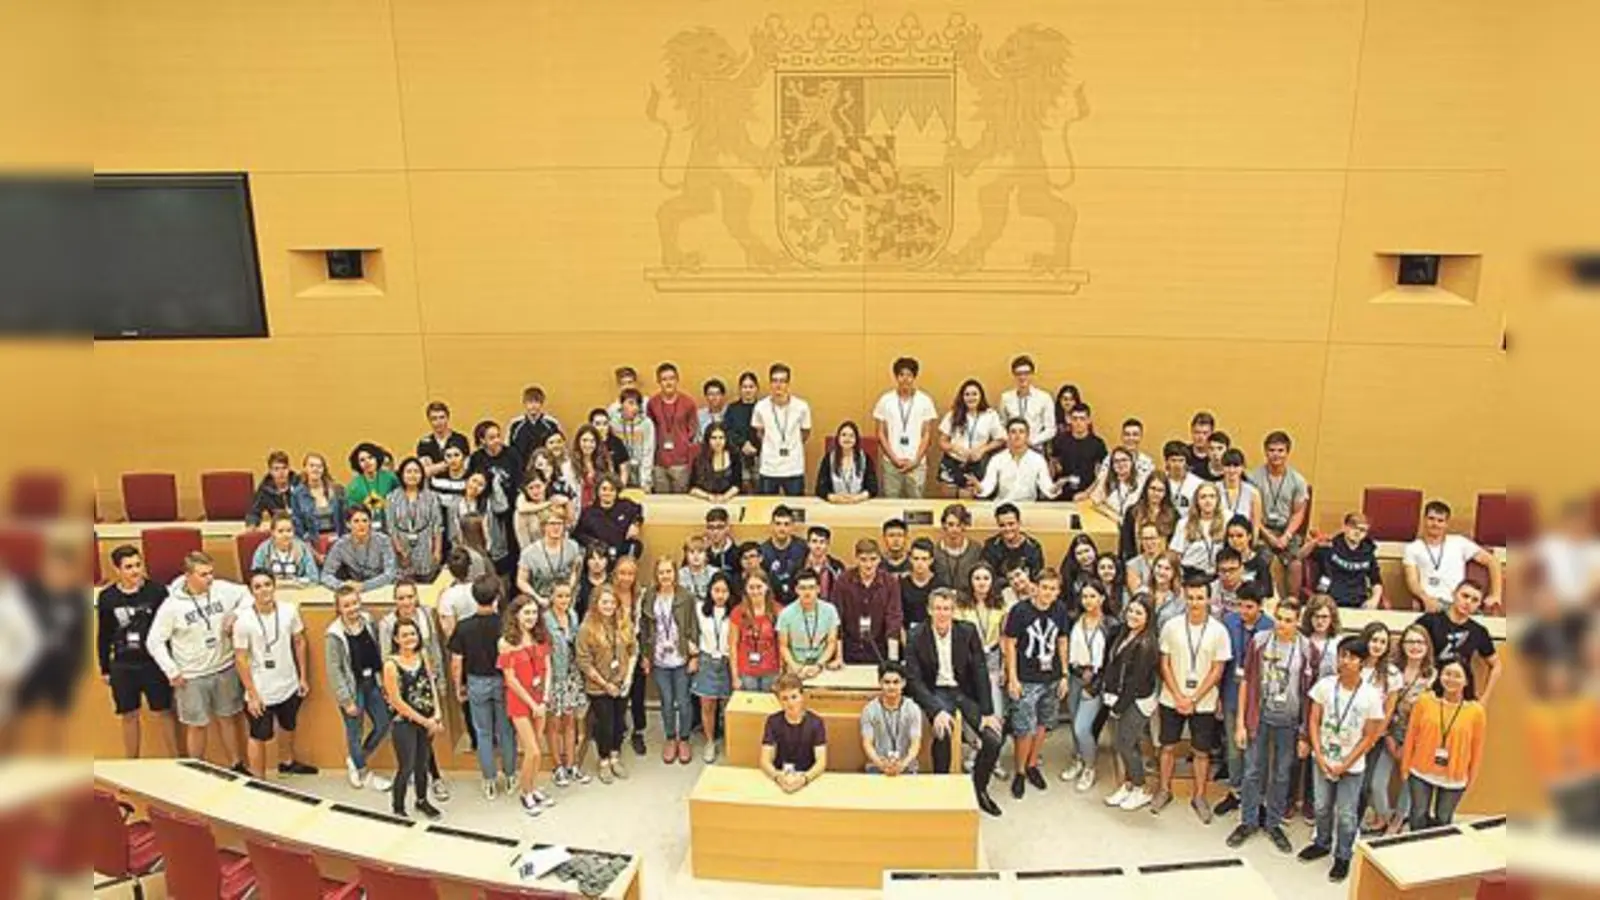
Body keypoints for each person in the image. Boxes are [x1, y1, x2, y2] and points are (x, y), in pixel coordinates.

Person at [147, 552, 248, 772]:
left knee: (228, 718)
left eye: (211, 573)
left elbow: (247, 594)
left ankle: (236, 764)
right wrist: (171, 671)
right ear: (188, 576)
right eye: (203, 575)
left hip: (223, 667)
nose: (209, 579)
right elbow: (154, 641)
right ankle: (197, 769)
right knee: (197, 725)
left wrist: (237, 614)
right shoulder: (172, 605)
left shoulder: (223, 589)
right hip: (191, 675)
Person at [1297, 640, 1387, 882]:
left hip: (1352, 765)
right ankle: (1322, 842)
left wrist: (1346, 763)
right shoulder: (1325, 686)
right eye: (1342, 656)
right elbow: (1313, 721)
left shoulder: (1370, 695)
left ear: (1362, 662)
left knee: (1346, 814)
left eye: (1351, 657)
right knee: (1321, 807)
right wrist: (1320, 753)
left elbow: (1370, 736)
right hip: (1323, 759)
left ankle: (1343, 855)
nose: (1344, 661)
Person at [1227, 596, 1311, 852]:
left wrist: (1305, 734)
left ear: (1297, 622)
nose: (1282, 625)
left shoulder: (1307, 649)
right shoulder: (1260, 642)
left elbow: (1310, 694)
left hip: (1289, 721)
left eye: (1289, 620)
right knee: (1253, 770)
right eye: (1279, 619)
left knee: (1282, 773)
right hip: (1259, 716)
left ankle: (1273, 823)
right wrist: (1241, 722)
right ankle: (1248, 821)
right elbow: (1247, 682)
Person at [1153, 575, 1232, 821]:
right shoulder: (1171, 626)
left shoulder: (1219, 631)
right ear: (1184, 598)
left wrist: (1194, 698)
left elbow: (1217, 670)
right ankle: (1164, 790)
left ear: (1209, 599)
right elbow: (1163, 664)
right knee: (1167, 746)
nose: (1195, 602)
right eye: (1191, 598)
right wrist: (1179, 695)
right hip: (1171, 698)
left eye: (1200, 598)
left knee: (1201, 751)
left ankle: (1199, 796)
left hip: (1204, 702)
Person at [233, 571, 317, 779]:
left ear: (274, 586)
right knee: (258, 736)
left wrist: (303, 676)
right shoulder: (243, 621)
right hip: (261, 690)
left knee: (288, 725)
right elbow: (241, 659)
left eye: (267, 584)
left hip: (289, 684)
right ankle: (258, 778)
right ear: (251, 592)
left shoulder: (289, 611)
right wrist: (252, 694)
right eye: (258, 586)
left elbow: (299, 641)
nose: (264, 590)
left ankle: (286, 762)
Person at [97, 545, 178, 758]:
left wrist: (171, 664)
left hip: (153, 663)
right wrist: (105, 667)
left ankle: (175, 759)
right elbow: (104, 634)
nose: (135, 571)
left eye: (138, 565)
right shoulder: (107, 597)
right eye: (128, 567)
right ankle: (132, 762)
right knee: (129, 714)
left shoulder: (157, 592)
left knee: (164, 711)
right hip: (123, 665)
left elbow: (170, 631)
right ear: (117, 569)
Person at [1003, 568, 1070, 800]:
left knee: (1043, 724)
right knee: (1024, 728)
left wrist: (1064, 674)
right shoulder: (1019, 611)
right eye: (1044, 587)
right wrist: (1012, 677)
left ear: (1058, 591)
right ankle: (1020, 771)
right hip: (1026, 678)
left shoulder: (1060, 610)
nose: (1048, 593)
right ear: (1035, 587)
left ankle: (1032, 764)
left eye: (1053, 589)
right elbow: (1009, 643)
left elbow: (1062, 640)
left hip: (1051, 678)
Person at [450, 577, 518, 801]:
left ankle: (489, 780)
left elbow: (457, 660)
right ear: (497, 596)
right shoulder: (507, 624)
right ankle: (510, 776)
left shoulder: (463, 626)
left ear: (473, 596)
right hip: (503, 681)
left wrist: (458, 685)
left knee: (483, 733)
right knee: (506, 731)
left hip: (476, 681)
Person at [1400, 659, 1486, 831]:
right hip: (1420, 769)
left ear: (1467, 680)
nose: (1451, 679)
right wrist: (1405, 766)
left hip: (1455, 774)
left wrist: (1471, 778)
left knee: (1443, 819)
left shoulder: (1476, 711)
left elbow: (1477, 749)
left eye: (1457, 676)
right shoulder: (1425, 701)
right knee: (1418, 814)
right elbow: (1411, 735)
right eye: (1447, 674)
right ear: (1439, 676)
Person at [323, 585, 393, 792]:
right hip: (352, 688)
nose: (352, 608)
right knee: (354, 730)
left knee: (383, 723)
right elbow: (334, 670)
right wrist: (346, 700)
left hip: (372, 682)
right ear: (338, 608)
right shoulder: (334, 635)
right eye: (346, 605)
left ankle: (356, 758)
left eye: (354, 603)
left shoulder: (369, 621)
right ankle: (362, 771)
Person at [1215, 582, 1275, 813]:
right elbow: (1223, 661)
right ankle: (1235, 791)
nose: (1243, 611)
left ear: (1260, 607)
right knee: (1233, 749)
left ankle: (1256, 797)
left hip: (1259, 699)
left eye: (1249, 607)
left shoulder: (1271, 627)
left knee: (1256, 751)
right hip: (1231, 692)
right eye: (1240, 605)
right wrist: (1219, 696)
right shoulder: (1229, 622)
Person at [1100, 594, 1162, 812]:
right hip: (1119, 697)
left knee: (1126, 744)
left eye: (1139, 612)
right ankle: (1128, 785)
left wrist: (1118, 708)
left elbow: (1136, 682)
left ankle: (1141, 788)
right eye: (1131, 611)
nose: (1133, 616)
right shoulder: (1124, 634)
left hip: (1136, 701)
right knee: (1124, 743)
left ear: (1149, 617)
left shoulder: (1147, 644)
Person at [640, 556, 700, 764]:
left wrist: (694, 656)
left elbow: (694, 626)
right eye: (661, 572)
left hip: (681, 657)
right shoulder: (649, 596)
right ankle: (670, 738)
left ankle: (684, 738)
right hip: (659, 659)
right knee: (666, 701)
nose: (665, 576)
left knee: (683, 701)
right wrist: (646, 656)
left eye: (669, 571)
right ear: (656, 575)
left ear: (675, 573)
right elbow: (646, 628)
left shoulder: (686, 597)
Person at [576, 585, 638, 784]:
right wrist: (605, 684)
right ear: (596, 604)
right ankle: (603, 760)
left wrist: (627, 677)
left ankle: (615, 756)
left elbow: (633, 650)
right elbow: (584, 662)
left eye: (612, 602)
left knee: (619, 722)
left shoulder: (623, 623)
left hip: (621, 683)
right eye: (604, 602)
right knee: (605, 724)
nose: (609, 606)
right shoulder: (586, 629)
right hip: (599, 686)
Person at [500, 595, 556, 816]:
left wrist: (544, 699)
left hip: (540, 700)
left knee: (538, 750)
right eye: (526, 613)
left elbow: (548, 668)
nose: (531, 617)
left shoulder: (541, 637)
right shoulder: (506, 643)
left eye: (534, 612)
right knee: (531, 751)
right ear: (516, 615)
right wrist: (533, 703)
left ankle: (533, 786)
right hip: (521, 702)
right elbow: (510, 679)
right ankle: (525, 793)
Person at [383, 619, 444, 820]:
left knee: (423, 762)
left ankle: (422, 800)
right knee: (406, 765)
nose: (410, 638)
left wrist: (437, 713)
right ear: (396, 639)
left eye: (413, 634)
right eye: (405, 635)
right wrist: (424, 721)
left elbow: (431, 684)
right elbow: (396, 701)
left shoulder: (423, 655)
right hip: (404, 722)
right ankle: (398, 807)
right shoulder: (391, 665)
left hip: (427, 718)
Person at [1061, 580, 1118, 791]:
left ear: (1102, 598)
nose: (1088, 601)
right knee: (1074, 722)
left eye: (1093, 596)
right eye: (1084, 596)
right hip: (1075, 676)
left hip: (1096, 680)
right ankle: (1078, 759)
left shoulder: (1112, 625)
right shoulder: (1074, 619)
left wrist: (1097, 682)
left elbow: (1113, 659)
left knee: (1083, 727)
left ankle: (1090, 767)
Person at [1403, 500, 1505, 614]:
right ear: (1424, 520)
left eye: (1440, 520)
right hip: (1432, 603)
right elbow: (1412, 581)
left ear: (1446, 523)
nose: (1435, 524)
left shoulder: (1459, 542)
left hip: (1460, 604)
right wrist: (1425, 598)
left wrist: (1496, 595)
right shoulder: (1412, 548)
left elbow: (1493, 561)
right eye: (1431, 519)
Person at [1381, 624, 1436, 833]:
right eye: (1410, 641)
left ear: (1427, 646)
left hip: (1418, 738)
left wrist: (1411, 744)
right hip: (1389, 732)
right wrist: (1388, 737)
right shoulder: (1390, 671)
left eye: (1420, 642)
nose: (1415, 646)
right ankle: (1384, 816)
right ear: (1402, 644)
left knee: (1407, 784)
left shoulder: (1433, 676)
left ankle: (1397, 821)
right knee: (1377, 785)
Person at [1413, 581, 1502, 701]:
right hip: (1429, 692)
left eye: (1474, 600)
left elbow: (1496, 665)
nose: (1468, 602)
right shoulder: (1429, 621)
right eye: (1465, 596)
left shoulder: (1479, 631)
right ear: (1454, 594)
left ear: (1479, 605)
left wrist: (1485, 698)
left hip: (1462, 696)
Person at [1353, 621, 1403, 832]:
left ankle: (1355, 824)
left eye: (1383, 641)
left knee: (1364, 783)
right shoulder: (1353, 664)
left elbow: (1389, 709)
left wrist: (1373, 738)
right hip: (1348, 732)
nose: (1378, 645)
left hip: (1373, 738)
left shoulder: (1392, 674)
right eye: (1374, 639)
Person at [1248, 430, 1311, 598]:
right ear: (1265, 452)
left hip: (1286, 529)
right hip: (1262, 528)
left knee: (1295, 563)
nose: (1276, 455)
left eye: (1280, 450)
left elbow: (1299, 512)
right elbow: (1251, 513)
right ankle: (1264, 600)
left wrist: (1287, 536)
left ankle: (1292, 603)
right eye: (1272, 450)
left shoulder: (1298, 480)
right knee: (1262, 559)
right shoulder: (1253, 478)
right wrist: (1268, 536)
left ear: (1287, 452)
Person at [543, 582, 590, 787]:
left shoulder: (573, 616)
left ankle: (572, 764)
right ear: (552, 597)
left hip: (573, 675)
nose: (564, 600)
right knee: (554, 723)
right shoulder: (544, 621)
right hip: (554, 677)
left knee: (570, 721)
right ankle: (557, 767)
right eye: (560, 596)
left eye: (567, 596)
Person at [872, 357, 938, 499]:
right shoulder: (885, 400)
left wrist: (916, 460)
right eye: (901, 375)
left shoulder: (925, 400)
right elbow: (880, 433)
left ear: (914, 377)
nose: (905, 379)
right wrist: (894, 458)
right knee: (891, 502)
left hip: (917, 463)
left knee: (916, 506)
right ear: (896, 377)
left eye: (909, 375)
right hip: (891, 462)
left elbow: (927, 434)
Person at [834, 538, 905, 665]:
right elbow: (837, 618)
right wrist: (838, 656)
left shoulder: (890, 582)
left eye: (873, 559)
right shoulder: (843, 581)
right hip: (850, 649)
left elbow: (893, 620)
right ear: (856, 559)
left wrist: (892, 660)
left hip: (880, 650)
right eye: (863, 560)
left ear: (879, 559)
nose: (868, 565)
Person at [752, 362, 812, 496]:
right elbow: (759, 432)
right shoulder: (760, 407)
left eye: (782, 381)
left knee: (795, 510)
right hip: (769, 467)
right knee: (767, 509)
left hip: (793, 466)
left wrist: (790, 444)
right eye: (774, 381)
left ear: (788, 384)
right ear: (770, 383)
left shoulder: (802, 406)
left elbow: (805, 433)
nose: (778, 385)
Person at [937, 378, 1005, 497]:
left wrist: (982, 450)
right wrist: (955, 448)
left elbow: (1000, 439)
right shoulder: (953, 414)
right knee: (947, 501)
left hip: (975, 464)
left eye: (974, 394)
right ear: (962, 397)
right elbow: (942, 441)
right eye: (967, 394)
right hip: (952, 462)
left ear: (981, 396)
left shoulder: (990, 415)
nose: (971, 398)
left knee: (967, 501)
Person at [969, 418, 1062, 502]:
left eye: (1021, 432)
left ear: (1027, 436)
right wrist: (979, 487)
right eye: (1013, 432)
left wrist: (1056, 487)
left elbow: (1047, 488)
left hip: (1029, 506)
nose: (1017, 435)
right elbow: (987, 486)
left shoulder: (1038, 459)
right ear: (1008, 435)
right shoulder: (997, 459)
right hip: (1002, 505)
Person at [761, 675, 828, 792]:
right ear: (779, 701)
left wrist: (804, 779)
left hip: (808, 777)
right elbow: (765, 760)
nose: (790, 703)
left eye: (794, 697)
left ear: (802, 696)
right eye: (785, 699)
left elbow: (821, 762)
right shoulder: (772, 721)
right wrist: (778, 777)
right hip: (781, 777)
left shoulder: (816, 723)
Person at [1299, 513, 1381, 609]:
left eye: (1363, 530)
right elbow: (1300, 555)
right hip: (1329, 601)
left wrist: (1375, 599)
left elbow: (1376, 581)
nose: (1358, 532)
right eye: (1354, 527)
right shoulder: (1330, 545)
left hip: (1358, 603)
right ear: (1345, 527)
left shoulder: (1368, 552)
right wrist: (1315, 541)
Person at [694, 572, 735, 762]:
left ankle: (731, 741)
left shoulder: (736, 612)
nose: (720, 595)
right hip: (707, 660)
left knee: (728, 705)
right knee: (708, 704)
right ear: (710, 591)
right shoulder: (700, 609)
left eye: (724, 591)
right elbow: (692, 634)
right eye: (716, 590)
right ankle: (710, 741)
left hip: (728, 662)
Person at [859, 661, 924, 775]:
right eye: (887, 682)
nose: (891, 686)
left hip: (907, 767)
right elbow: (867, 743)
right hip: (877, 766)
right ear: (880, 683)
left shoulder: (912, 708)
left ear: (903, 683)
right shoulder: (869, 709)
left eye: (896, 682)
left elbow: (915, 743)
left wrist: (903, 764)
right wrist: (881, 764)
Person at [386, 457, 443, 581]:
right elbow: (391, 527)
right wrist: (399, 549)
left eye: (416, 471)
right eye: (409, 471)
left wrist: (437, 550)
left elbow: (437, 526)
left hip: (425, 548)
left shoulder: (431, 497)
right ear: (401, 474)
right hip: (402, 549)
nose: (412, 475)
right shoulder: (392, 498)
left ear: (422, 475)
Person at [647, 362, 701, 493]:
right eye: (664, 379)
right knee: (661, 502)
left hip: (681, 462)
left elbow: (693, 429)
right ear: (658, 382)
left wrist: (685, 446)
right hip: (659, 461)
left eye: (671, 378)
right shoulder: (652, 403)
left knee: (681, 501)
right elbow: (650, 429)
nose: (668, 383)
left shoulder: (688, 403)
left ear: (677, 380)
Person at [777, 571, 841, 677]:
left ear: (818, 589)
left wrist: (819, 665)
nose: (807, 592)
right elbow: (783, 646)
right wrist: (795, 666)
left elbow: (831, 642)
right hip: (795, 667)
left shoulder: (830, 610)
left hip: (821, 665)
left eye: (811, 587)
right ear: (796, 590)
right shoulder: (786, 613)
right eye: (803, 588)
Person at [319, 508, 399, 591]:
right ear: (348, 524)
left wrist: (364, 586)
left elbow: (390, 574)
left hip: (381, 587)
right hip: (353, 591)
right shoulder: (341, 545)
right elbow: (325, 575)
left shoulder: (383, 541)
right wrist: (342, 585)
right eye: (356, 521)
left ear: (370, 523)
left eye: (365, 521)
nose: (361, 525)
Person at [451, 470, 512, 576]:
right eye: (474, 481)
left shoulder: (488, 503)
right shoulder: (455, 504)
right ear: (467, 481)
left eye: (480, 485)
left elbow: (503, 507)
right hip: (466, 555)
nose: (475, 486)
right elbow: (453, 533)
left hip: (491, 554)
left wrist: (495, 482)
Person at [519, 509, 585, 606]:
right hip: (542, 601)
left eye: (560, 524)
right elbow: (521, 580)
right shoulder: (530, 552)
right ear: (543, 526)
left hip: (566, 601)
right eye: (552, 524)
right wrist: (538, 599)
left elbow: (574, 571)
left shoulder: (573, 547)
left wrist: (568, 592)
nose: (556, 527)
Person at [573, 475, 645, 563]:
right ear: (598, 491)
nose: (607, 493)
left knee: (636, 545)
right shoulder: (588, 512)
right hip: (600, 555)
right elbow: (578, 534)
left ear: (617, 491)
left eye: (612, 490)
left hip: (623, 554)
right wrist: (594, 543)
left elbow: (639, 510)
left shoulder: (626, 506)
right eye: (604, 489)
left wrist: (635, 524)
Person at [730, 572, 783, 691]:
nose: (755, 591)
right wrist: (734, 676)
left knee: (769, 707)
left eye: (759, 587)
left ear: (767, 587)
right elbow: (733, 645)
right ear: (746, 589)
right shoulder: (738, 612)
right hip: (746, 671)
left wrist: (782, 673)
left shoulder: (778, 611)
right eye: (751, 588)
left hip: (771, 670)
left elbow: (782, 644)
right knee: (749, 708)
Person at [1048, 402, 1107, 502]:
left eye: (1082, 418)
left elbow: (1102, 474)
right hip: (1062, 494)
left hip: (1087, 494)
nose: (1078, 422)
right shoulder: (1059, 441)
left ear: (1088, 420)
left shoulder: (1098, 444)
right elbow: (1052, 466)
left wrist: (1087, 493)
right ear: (1070, 420)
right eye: (1075, 419)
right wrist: (1053, 486)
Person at [291, 452, 347, 552]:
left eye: (319, 466)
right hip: (312, 544)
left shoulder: (336, 490)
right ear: (305, 468)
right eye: (312, 465)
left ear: (324, 470)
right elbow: (298, 525)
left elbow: (343, 520)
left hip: (337, 541)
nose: (315, 469)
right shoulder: (297, 494)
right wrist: (310, 550)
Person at [999, 354, 1055, 452]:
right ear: (1014, 375)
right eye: (1018, 373)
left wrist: (1032, 441)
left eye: (1026, 373)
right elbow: (1002, 424)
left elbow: (1051, 429)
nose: (1022, 377)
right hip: (1012, 449)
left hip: (1035, 448)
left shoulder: (1044, 398)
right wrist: (1009, 440)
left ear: (1032, 374)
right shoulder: (1006, 398)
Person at [1171, 482, 1226, 578]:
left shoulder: (1227, 521)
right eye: (1203, 497)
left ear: (1218, 500)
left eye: (1212, 496)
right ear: (1196, 501)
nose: (1208, 501)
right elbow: (1175, 555)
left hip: (1218, 576)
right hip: (1191, 575)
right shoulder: (1184, 523)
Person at [816, 421, 879, 503]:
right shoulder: (828, 458)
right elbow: (820, 488)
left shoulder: (865, 458)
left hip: (859, 504)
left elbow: (873, 488)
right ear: (838, 438)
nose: (847, 439)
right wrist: (834, 498)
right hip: (835, 505)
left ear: (856, 439)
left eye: (851, 436)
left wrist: (858, 498)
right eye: (844, 435)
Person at [1119, 474, 1178, 561]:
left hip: (1164, 565)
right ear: (1146, 489)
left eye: (1160, 490)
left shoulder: (1174, 515)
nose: (1156, 493)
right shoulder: (1133, 512)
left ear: (1166, 493)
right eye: (1152, 488)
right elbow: (1126, 543)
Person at [251, 513, 319, 585]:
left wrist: (295, 581)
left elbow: (313, 578)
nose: (285, 535)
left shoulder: (302, 548)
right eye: (280, 531)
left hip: (298, 591)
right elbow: (256, 577)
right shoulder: (263, 550)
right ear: (272, 532)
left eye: (289, 530)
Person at [982, 503, 1046, 579]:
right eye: (1002, 525)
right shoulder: (990, 546)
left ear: (1019, 523)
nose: (1007, 529)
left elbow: (1037, 579)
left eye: (1011, 524)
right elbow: (986, 576)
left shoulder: (1033, 547)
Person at [724, 371, 761, 496]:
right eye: (745, 387)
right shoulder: (732, 408)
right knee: (742, 489)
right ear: (740, 389)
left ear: (756, 389)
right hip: (738, 455)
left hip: (761, 456)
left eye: (751, 387)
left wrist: (755, 447)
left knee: (760, 490)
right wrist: (743, 444)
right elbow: (727, 431)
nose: (748, 390)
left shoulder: (763, 407)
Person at [611, 388, 656, 491]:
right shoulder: (613, 423)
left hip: (640, 470)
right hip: (621, 471)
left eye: (637, 404)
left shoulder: (646, 423)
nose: (634, 408)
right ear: (621, 404)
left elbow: (648, 451)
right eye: (630, 403)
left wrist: (645, 480)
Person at [759, 505, 807, 603]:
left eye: (786, 524)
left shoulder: (803, 547)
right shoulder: (763, 551)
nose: (782, 528)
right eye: (778, 524)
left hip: (799, 601)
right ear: (771, 525)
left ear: (792, 526)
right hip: (772, 603)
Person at [346, 442, 399, 527]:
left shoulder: (391, 478)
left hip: (392, 523)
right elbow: (352, 512)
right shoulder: (353, 486)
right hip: (367, 527)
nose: (367, 462)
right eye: (362, 460)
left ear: (377, 458)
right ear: (357, 464)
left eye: (370, 457)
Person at [932, 503, 984, 591]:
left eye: (959, 525)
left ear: (964, 525)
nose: (954, 529)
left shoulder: (976, 549)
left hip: (969, 599)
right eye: (951, 524)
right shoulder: (935, 551)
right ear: (944, 525)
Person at [1094, 418, 1156, 489]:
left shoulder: (1147, 463)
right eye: (1127, 434)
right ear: (1122, 436)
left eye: (1135, 435)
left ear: (1141, 437)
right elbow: (1100, 484)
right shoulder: (1110, 459)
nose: (1131, 438)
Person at [564, 424, 615, 510]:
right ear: (578, 442)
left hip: (600, 510)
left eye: (592, 441)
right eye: (584, 440)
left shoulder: (604, 462)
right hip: (578, 510)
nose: (588, 444)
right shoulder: (568, 465)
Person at [507, 385, 562, 463]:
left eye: (537, 402)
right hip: (521, 469)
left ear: (542, 403)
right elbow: (509, 449)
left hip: (546, 468)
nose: (533, 406)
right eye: (530, 402)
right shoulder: (515, 424)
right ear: (524, 403)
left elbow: (559, 448)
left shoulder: (552, 423)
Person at [246, 450, 300, 530]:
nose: (281, 472)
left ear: (289, 469)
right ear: (270, 471)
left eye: (284, 468)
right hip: (279, 530)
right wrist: (252, 525)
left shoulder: (299, 484)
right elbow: (254, 512)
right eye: (276, 469)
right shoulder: (265, 488)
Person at [688, 423, 742, 502]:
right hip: (704, 500)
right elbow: (692, 488)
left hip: (729, 500)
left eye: (721, 437)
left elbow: (737, 485)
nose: (718, 441)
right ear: (708, 439)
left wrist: (725, 497)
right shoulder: (699, 458)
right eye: (714, 438)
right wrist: (708, 497)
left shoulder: (734, 456)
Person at [1091, 447, 1144, 525]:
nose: (1120, 464)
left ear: (1132, 462)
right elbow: (1095, 501)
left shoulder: (1141, 481)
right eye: (1116, 461)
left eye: (1124, 460)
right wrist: (1116, 517)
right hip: (1114, 523)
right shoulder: (1109, 481)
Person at [899, 538, 941, 635]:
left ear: (931, 560)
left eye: (924, 559)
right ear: (910, 559)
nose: (920, 563)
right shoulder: (901, 584)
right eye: (916, 558)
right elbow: (897, 617)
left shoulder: (940, 585)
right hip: (907, 635)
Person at [430, 444, 472, 540]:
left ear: (464, 457)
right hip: (441, 531)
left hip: (465, 531)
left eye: (456, 455)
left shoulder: (470, 479)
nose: (453, 460)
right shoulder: (436, 480)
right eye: (448, 456)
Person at [417, 401, 471, 476]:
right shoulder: (424, 443)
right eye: (434, 418)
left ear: (448, 418)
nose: (439, 422)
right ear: (429, 421)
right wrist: (450, 464)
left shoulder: (461, 439)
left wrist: (435, 467)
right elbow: (424, 472)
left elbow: (465, 467)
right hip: (433, 485)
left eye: (442, 417)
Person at [586, 408, 633, 489]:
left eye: (605, 424)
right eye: (597, 424)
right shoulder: (587, 443)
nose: (602, 427)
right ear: (591, 425)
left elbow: (624, 469)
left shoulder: (617, 442)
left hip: (613, 486)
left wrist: (620, 488)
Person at [1225, 516, 1273, 592]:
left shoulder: (1260, 562)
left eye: (1239, 536)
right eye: (1231, 536)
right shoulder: (1223, 560)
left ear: (1249, 536)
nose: (1235, 540)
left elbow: (1267, 591)